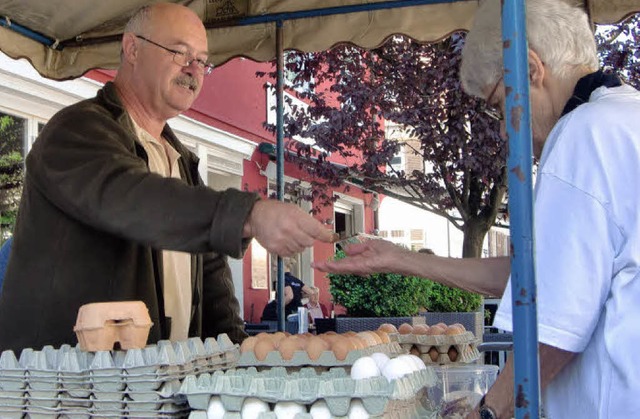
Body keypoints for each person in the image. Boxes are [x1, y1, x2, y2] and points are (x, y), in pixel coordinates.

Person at [314, 0, 640, 417]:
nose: (506, 129)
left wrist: (488, 411)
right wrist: (400, 259)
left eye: (500, 105)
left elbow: (554, 330)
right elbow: (539, 275)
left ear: (530, 69)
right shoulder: (621, 118)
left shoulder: (585, 134)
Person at [0, 3, 334, 353]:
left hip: (156, 387)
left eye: (203, 61)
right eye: (179, 52)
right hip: (70, 392)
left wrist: (239, 350)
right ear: (132, 48)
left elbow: (208, 274)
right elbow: (132, 199)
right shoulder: (76, 130)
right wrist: (250, 214)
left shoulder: (180, 159)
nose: (194, 69)